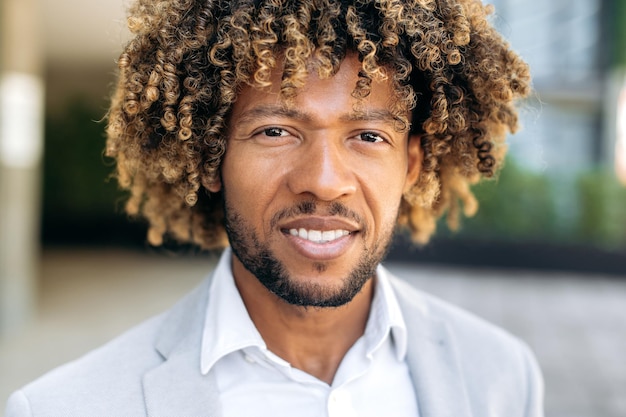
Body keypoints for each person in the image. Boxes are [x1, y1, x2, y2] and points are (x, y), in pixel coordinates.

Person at [6, 0, 543, 415]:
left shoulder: (502, 377)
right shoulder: (64, 408)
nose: (325, 182)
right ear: (211, 158)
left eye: (368, 136)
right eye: (275, 130)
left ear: (412, 165)